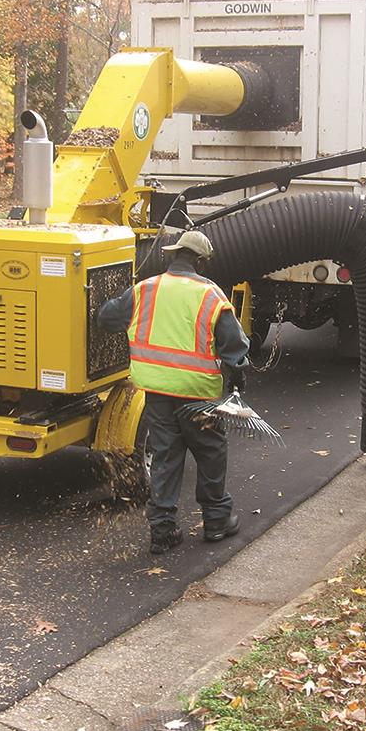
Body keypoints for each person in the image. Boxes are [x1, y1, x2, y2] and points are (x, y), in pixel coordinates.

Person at [97, 231, 249, 554]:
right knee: (210, 454)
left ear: (171, 256)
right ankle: (216, 521)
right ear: (202, 261)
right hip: (199, 397)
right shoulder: (211, 295)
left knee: (166, 456)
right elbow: (234, 346)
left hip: (158, 394)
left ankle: (163, 530)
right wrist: (236, 378)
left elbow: (107, 317)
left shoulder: (145, 290)